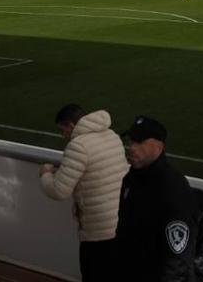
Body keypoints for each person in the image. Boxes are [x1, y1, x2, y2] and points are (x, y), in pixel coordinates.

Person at [40, 104, 129, 281]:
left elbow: (59, 191)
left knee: (93, 273)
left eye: (62, 130)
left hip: (98, 230)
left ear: (71, 125)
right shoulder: (112, 136)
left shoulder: (78, 146)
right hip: (122, 222)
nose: (63, 135)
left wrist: (45, 174)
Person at [116, 116, 198, 281]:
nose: (131, 147)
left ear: (158, 146)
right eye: (131, 141)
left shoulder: (172, 187)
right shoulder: (131, 179)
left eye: (139, 142)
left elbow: (178, 256)